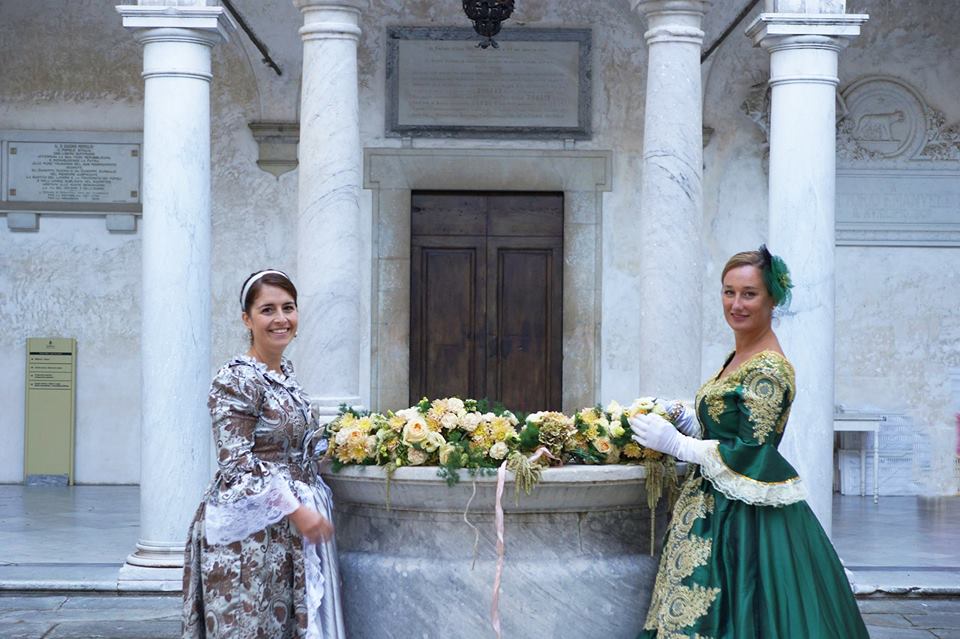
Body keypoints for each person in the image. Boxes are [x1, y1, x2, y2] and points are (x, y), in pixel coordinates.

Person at [629, 246, 868, 639]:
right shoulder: (740, 354)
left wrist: (679, 446)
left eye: (749, 294)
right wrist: (688, 416)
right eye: (728, 292)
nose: (736, 304)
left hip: (742, 522)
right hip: (713, 505)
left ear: (773, 299)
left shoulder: (769, 368)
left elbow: (755, 453)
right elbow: (731, 424)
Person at [182, 269, 346, 638]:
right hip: (249, 537)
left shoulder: (285, 373)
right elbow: (235, 463)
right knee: (249, 626)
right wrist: (296, 509)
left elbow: (296, 448)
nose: (281, 319)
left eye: (288, 308)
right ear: (247, 319)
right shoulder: (237, 378)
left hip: (285, 531)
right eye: (267, 310)